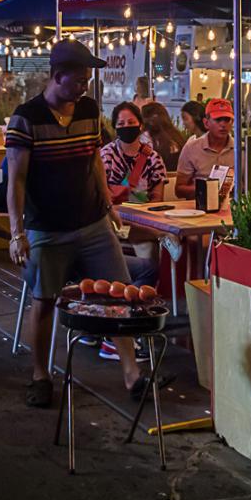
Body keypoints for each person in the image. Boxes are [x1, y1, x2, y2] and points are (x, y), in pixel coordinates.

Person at [6, 40, 153, 408]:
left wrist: (107, 204)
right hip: (46, 229)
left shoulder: (88, 111)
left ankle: (131, 373)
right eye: (79, 80)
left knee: (117, 293)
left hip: (93, 224)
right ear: (58, 77)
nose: (85, 86)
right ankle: (41, 375)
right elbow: (16, 181)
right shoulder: (26, 118)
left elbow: (95, 161)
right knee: (43, 301)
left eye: (88, 79)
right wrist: (17, 233)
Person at [99, 101, 167, 361]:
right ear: (114, 127)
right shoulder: (106, 155)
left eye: (131, 123)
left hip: (142, 222)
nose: (127, 128)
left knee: (151, 253)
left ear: (140, 124)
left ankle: (132, 316)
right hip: (113, 222)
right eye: (121, 124)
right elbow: (103, 194)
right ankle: (124, 323)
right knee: (148, 252)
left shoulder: (152, 157)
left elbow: (158, 197)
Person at [175, 98, 234, 199]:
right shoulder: (191, 148)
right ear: (206, 123)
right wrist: (208, 189)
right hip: (199, 209)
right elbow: (179, 190)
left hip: (233, 208)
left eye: (227, 119)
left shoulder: (241, 150)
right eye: (218, 119)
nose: (223, 124)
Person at [141, 102, 186, 172]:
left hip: (157, 180)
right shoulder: (177, 136)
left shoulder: (146, 139)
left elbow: (136, 172)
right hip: (178, 179)